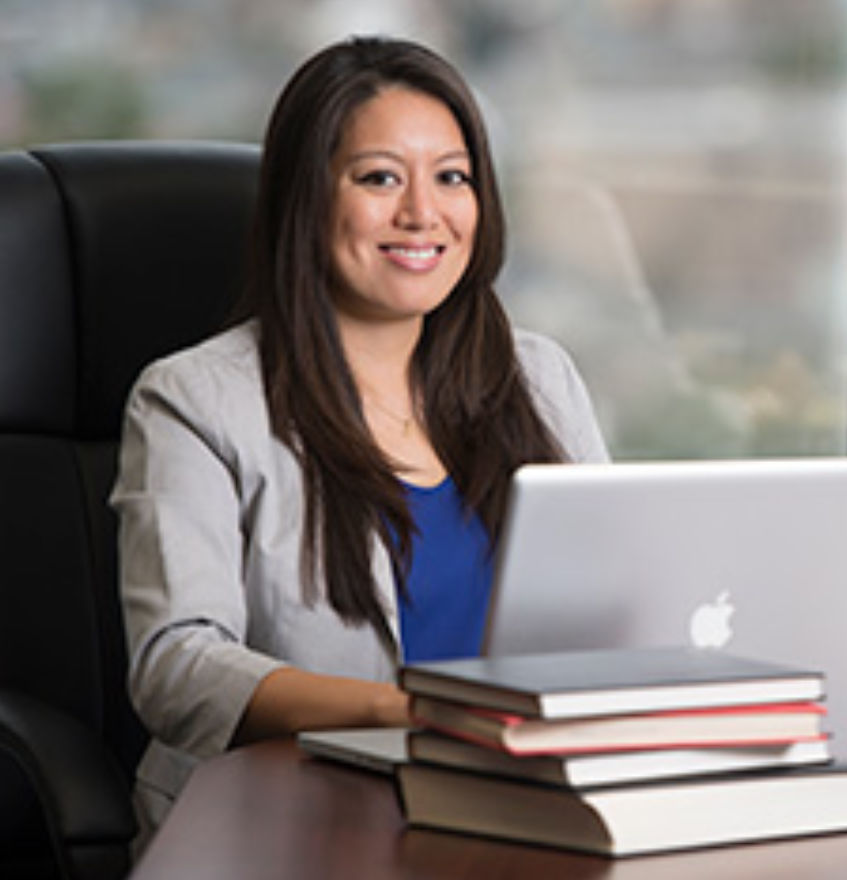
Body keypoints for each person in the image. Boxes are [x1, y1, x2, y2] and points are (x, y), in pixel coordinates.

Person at [112, 36, 609, 834]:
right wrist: (409, 712)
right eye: (380, 178)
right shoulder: (195, 401)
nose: (422, 213)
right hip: (290, 825)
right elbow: (178, 665)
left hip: (525, 811)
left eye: (452, 177)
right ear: (306, 200)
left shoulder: (539, 379)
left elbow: (620, 605)